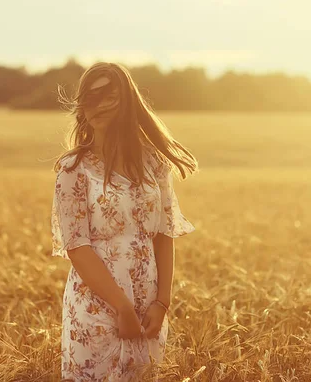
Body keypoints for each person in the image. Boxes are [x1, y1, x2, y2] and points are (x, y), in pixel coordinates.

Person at [50, 62, 198, 381]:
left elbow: (163, 233)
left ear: (127, 102)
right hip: (96, 304)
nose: (98, 105)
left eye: (109, 96)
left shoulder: (152, 161)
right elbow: (77, 246)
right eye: (90, 97)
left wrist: (162, 302)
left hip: (148, 303)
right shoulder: (73, 169)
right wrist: (121, 307)